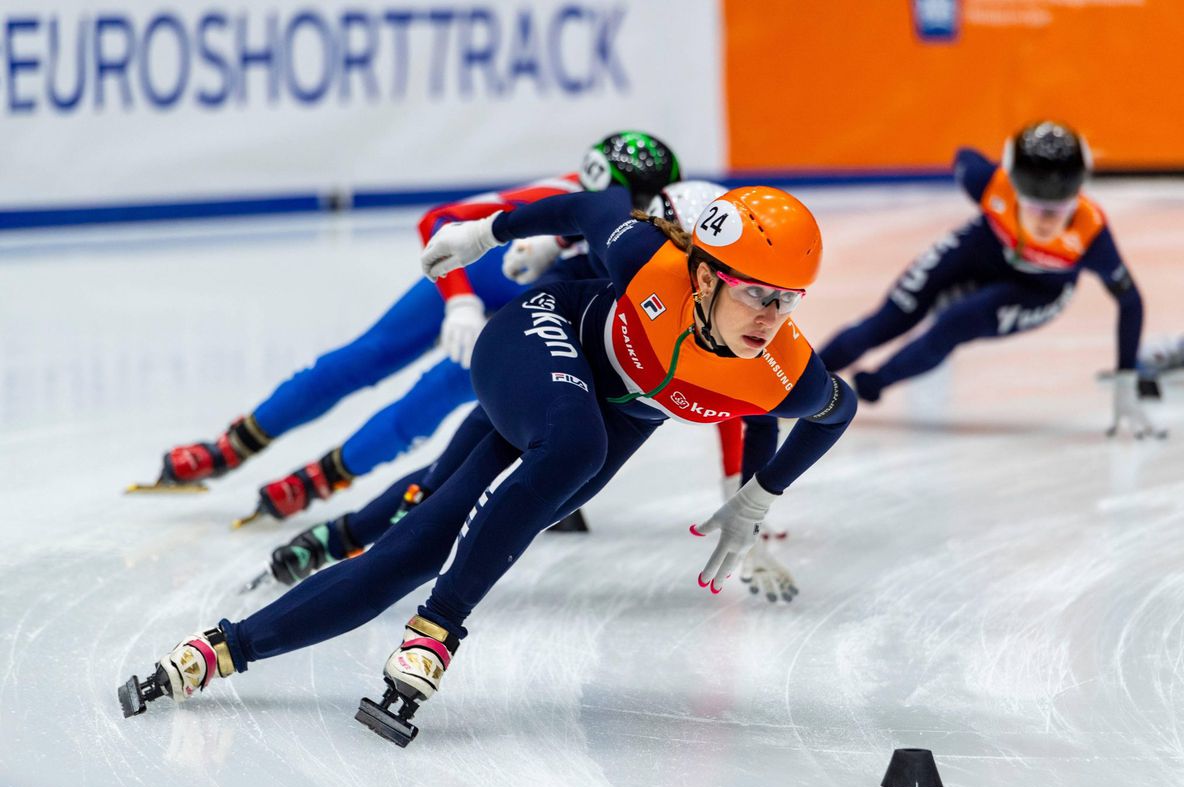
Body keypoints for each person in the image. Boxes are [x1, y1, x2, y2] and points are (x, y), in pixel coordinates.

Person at [119, 185, 855, 747]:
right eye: (758, 294)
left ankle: (218, 649)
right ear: (703, 278)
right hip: (538, 339)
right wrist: (481, 234)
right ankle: (438, 632)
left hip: (594, 417)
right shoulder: (649, 263)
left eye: (788, 300)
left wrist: (759, 495)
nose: (772, 316)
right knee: (575, 450)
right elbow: (593, 204)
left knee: (410, 553)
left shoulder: (785, 367)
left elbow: (825, 412)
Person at [249, 182, 793, 600]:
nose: (674, 260)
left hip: (580, 400)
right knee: (446, 456)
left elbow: (748, 406)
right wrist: (488, 269)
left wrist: (746, 503)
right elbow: (543, 229)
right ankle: (341, 529)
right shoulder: (631, 246)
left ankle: (343, 534)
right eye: (669, 241)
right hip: (538, 358)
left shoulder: (702, 293)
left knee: (468, 476)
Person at [133, 133, 684, 528]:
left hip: (533, 311)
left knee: (435, 397)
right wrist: (461, 301)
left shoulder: (657, 243)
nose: (632, 219)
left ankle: (321, 478)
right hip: (479, 277)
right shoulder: (561, 194)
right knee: (367, 356)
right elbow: (440, 220)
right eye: (630, 204)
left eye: (647, 208)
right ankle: (234, 445)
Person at [818, 120, 1163, 438]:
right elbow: (964, 156)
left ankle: (873, 384)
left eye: (1058, 211)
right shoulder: (990, 184)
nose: (1045, 221)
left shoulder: (1091, 234)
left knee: (954, 324)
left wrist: (1125, 383)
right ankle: (805, 378)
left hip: (1039, 288)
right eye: (1034, 206)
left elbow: (1131, 303)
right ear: (1013, 185)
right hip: (981, 249)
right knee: (889, 319)